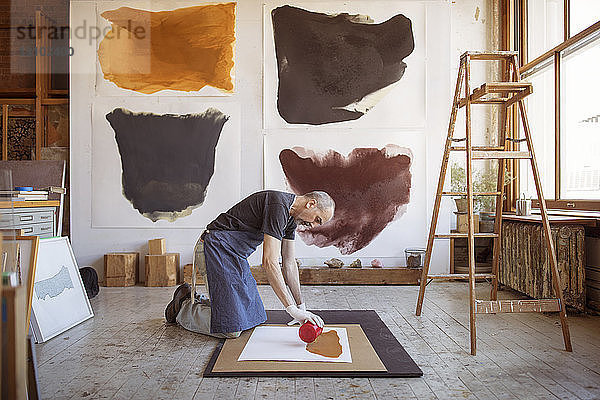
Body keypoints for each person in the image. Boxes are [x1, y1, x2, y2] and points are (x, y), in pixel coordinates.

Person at [164, 190, 335, 338]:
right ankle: (183, 308)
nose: (312, 225)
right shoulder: (277, 205)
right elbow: (269, 262)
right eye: (317, 220)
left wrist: (301, 307)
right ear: (311, 204)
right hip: (215, 249)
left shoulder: (290, 219)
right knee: (229, 329)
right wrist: (290, 309)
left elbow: (289, 263)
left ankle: (196, 299)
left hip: (235, 256)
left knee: (255, 315)